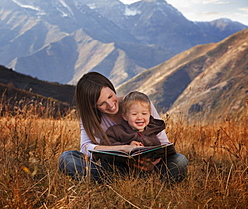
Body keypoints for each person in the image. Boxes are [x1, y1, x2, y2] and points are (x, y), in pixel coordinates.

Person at [59, 72, 188, 183]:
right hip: (114, 168)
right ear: (92, 106)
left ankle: (129, 180)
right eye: (102, 104)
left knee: (180, 160)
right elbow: (85, 148)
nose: (110, 105)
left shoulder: (139, 104)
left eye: (110, 96)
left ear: (112, 88)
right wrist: (124, 148)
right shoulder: (90, 118)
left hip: (150, 166)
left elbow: (164, 143)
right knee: (67, 159)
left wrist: (152, 162)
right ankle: (117, 180)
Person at [103, 90, 167, 148]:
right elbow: (106, 144)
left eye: (144, 113)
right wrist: (126, 146)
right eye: (134, 114)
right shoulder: (116, 131)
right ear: (125, 116)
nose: (139, 118)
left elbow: (160, 148)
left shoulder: (153, 129)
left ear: (149, 114)